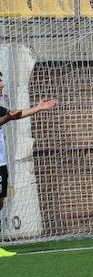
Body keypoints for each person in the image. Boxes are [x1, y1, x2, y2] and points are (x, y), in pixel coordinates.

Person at [0, 72, 56, 257]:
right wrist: (8, 117)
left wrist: (37, 108)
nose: (2, 84)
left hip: (1, 161)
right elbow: (8, 117)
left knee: (0, 203)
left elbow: (14, 114)